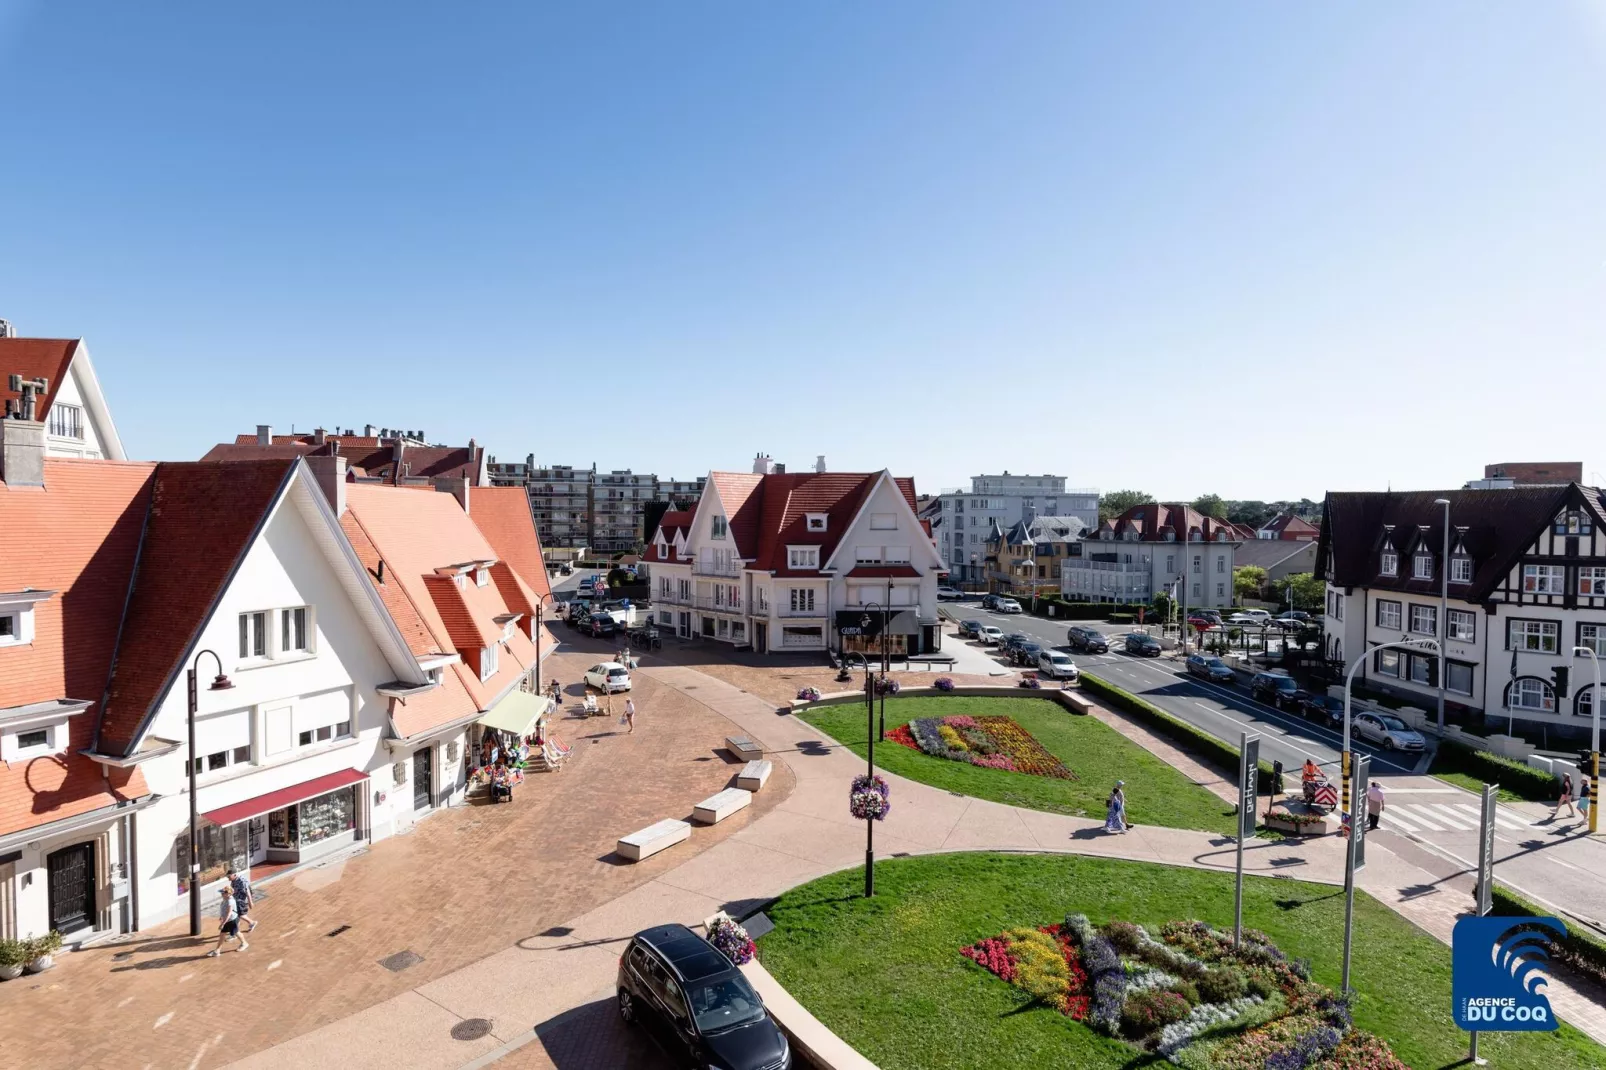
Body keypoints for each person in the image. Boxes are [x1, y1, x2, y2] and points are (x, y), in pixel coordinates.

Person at [208, 886, 248, 956]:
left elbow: (229, 913)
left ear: (228, 894)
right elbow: (224, 909)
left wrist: (223, 923)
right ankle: (217, 951)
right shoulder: (225, 899)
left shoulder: (230, 901)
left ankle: (244, 943)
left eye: (223, 893)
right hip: (227, 920)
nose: (221, 894)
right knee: (222, 934)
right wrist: (221, 917)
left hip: (231, 920)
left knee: (236, 932)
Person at [225, 867, 258, 935]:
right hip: (236, 900)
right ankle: (235, 930)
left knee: (240, 915)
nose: (228, 878)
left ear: (234, 875)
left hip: (241, 901)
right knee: (236, 915)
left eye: (229, 876)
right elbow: (233, 890)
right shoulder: (233, 881)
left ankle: (252, 923)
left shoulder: (242, 881)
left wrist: (250, 902)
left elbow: (248, 892)